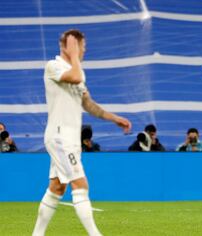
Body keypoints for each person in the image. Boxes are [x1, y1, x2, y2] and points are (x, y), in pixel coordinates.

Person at [32, 29, 131, 236]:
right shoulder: (54, 66)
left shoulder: (77, 71)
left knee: (57, 187)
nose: (84, 50)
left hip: (70, 138)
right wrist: (74, 54)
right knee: (80, 183)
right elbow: (75, 76)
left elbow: (88, 104)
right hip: (59, 137)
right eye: (81, 46)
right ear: (70, 46)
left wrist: (115, 118)